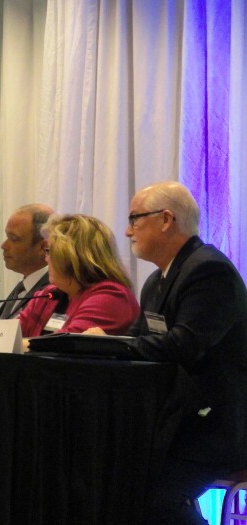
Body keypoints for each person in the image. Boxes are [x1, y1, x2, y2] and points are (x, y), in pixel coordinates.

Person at [85, 182, 247, 524]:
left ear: (166, 219)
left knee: (153, 497)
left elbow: (184, 345)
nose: (128, 231)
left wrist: (112, 344)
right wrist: (99, 344)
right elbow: (138, 339)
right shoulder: (156, 281)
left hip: (215, 425)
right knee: (112, 480)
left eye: (135, 219)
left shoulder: (209, 271)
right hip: (174, 421)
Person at [0, 214, 139, 349]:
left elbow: (66, 345)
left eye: (49, 251)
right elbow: (9, 335)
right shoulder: (49, 294)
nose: (46, 258)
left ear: (71, 256)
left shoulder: (110, 296)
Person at [0, 204, 55, 319]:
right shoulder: (22, 288)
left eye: (14, 238)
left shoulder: (55, 291)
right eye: (7, 236)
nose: (4, 246)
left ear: (43, 247)